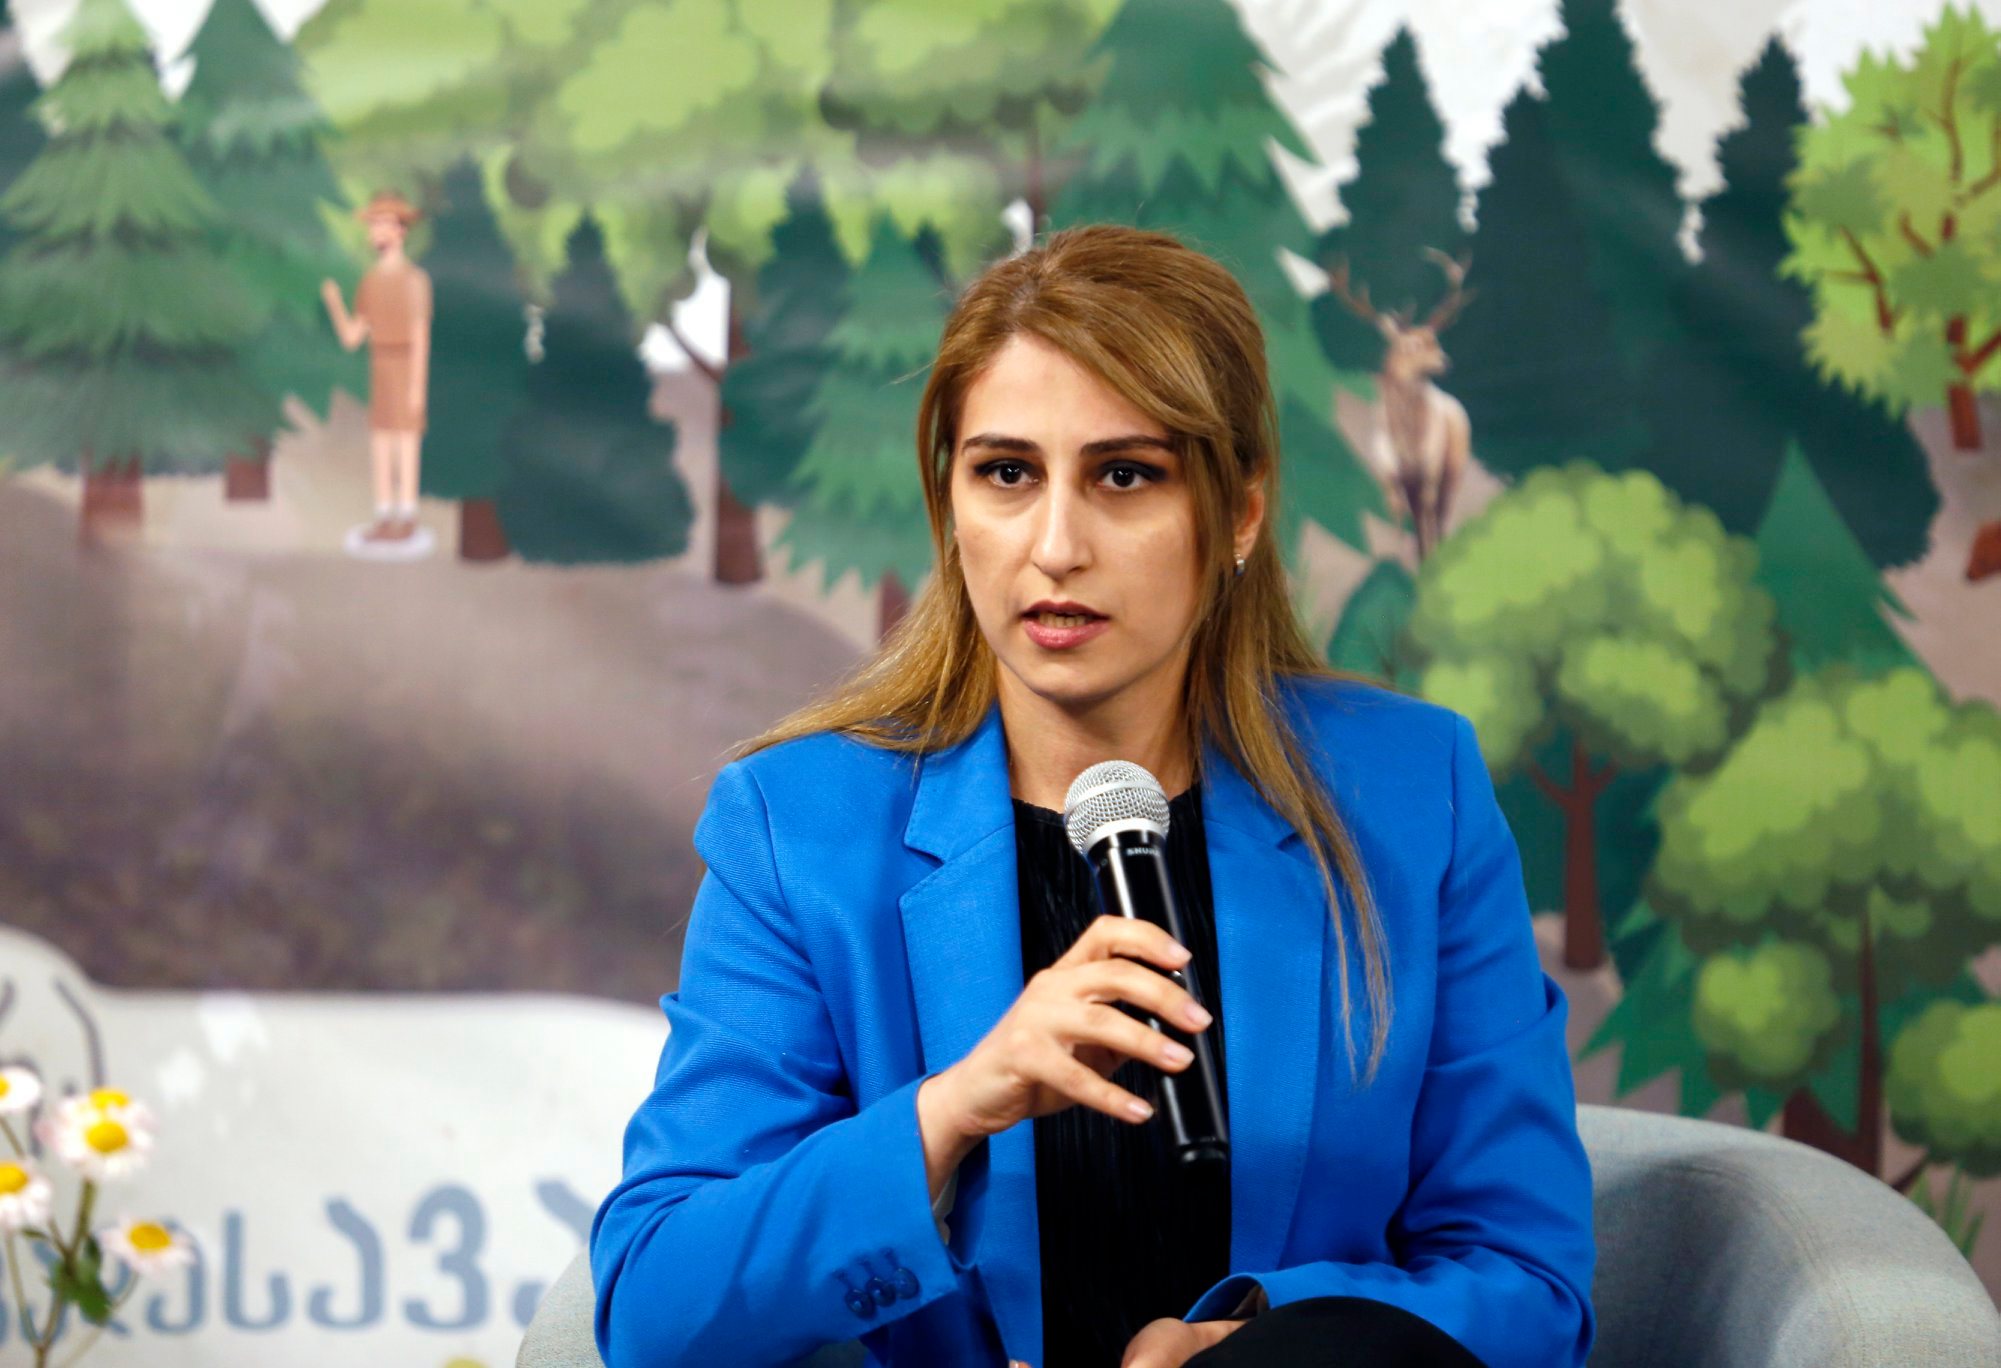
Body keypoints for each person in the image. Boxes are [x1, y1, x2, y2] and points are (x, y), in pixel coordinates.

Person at [589, 224, 1595, 1368]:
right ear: (950, 504)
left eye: (1125, 476)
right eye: (1007, 474)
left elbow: (1528, 1289)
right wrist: (954, 1108)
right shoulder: (799, 829)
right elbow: (654, 1309)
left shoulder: (1415, 796)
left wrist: (1247, 1350)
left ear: (1240, 513)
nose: (1056, 545)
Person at [320, 190, 433, 544]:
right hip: (380, 366)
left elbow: (420, 337)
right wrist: (335, 303)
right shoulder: (369, 282)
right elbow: (352, 337)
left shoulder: (415, 281)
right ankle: (384, 517)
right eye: (373, 225)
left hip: (405, 365)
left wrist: (416, 390)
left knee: (406, 444)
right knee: (382, 443)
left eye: (383, 224)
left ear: (401, 230)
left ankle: (407, 516)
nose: (376, 231)